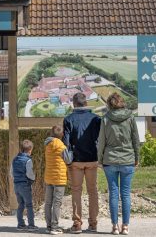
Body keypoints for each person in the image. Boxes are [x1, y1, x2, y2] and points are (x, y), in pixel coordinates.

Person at [98, 92, 140, 235]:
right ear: (122, 102)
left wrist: (99, 159)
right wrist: (137, 158)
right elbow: (136, 140)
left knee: (114, 194)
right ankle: (126, 227)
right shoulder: (130, 117)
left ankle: (115, 226)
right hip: (128, 159)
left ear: (109, 104)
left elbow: (101, 142)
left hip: (110, 160)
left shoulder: (105, 119)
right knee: (126, 194)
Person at [63, 92, 101, 234]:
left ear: (74, 103)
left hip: (76, 161)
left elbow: (66, 143)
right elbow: (99, 140)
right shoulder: (96, 119)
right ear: (85, 103)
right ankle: (93, 224)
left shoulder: (68, 119)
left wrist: (67, 161)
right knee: (93, 191)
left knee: (76, 191)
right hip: (92, 159)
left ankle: (77, 224)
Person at [44, 125, 72, 235]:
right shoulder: (61, 146)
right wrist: (71, 151)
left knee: (48, 202)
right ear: (62, 135)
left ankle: (49, 226)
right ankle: (54, 227)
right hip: (59, 178)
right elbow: (68, 160)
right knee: (57, 202)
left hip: (49, 176)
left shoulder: (47, 144)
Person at [11, 139, 38, 231]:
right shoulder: (28, 160)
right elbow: (29, 173)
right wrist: (34, 178)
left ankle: (20, 224)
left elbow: (11, 172)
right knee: (29, 205)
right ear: (30, 150)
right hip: (25, 185)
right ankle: (31, 225)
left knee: (20, 204)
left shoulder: (15, 159)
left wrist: (16, 179)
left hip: (16, 185)